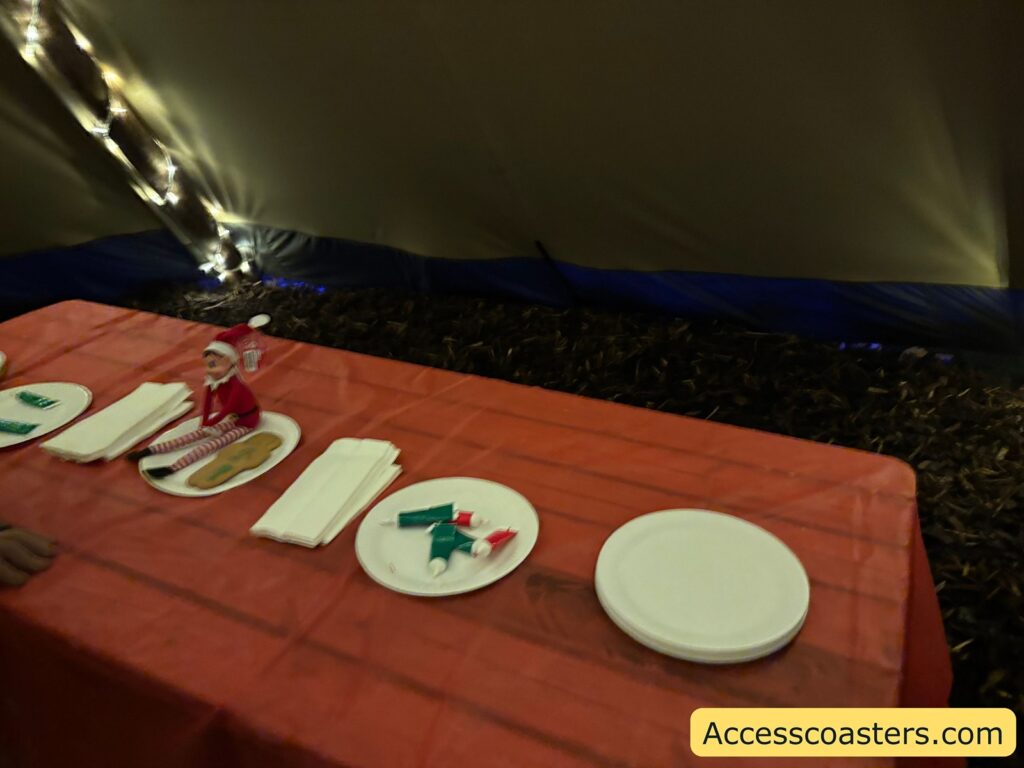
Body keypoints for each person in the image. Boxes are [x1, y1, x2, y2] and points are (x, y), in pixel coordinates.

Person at [127, 316, 268, 479]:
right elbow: (207, 401)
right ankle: (149, 451)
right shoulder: (213, 381)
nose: (211, 369)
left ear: (230, 362)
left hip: (248, 421)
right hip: (233, 418)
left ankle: (172, 468)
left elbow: (229, 406)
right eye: (209, 364)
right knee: (193, 436)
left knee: (212, 445)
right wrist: (204, 422)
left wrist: (213, 422)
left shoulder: (236, 385)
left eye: (215, 364)